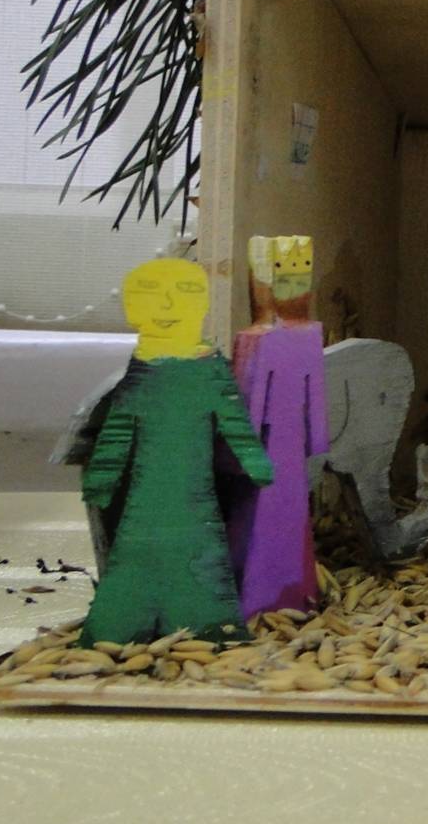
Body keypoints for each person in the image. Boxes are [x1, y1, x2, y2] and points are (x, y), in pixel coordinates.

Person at [78, 259, 273, 647]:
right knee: (138, 550)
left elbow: (233, 420)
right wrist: (103, 475)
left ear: (202, 305)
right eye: (150, 294)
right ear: (132, 308)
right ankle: (120, 626)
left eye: (184, 294)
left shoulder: (209, 368)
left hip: (191, 495)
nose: (166, 306)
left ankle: (205, 624)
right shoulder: (143, 369)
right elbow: (119, 426)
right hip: (147, 499)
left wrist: (255, 461)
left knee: (197, 553)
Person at [223, 235, 329, 618]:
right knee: (258, 511)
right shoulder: (257, 339)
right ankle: (258, 591)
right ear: (263, 279)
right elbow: (249, 397)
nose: (295, 284)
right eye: (285, 272)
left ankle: (290, 589)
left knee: (288, 511)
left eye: (303, 273)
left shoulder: (308, 334)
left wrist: (317, 437)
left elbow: (314, 391)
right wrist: (244, 448)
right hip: (266, 444)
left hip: (288, 442)